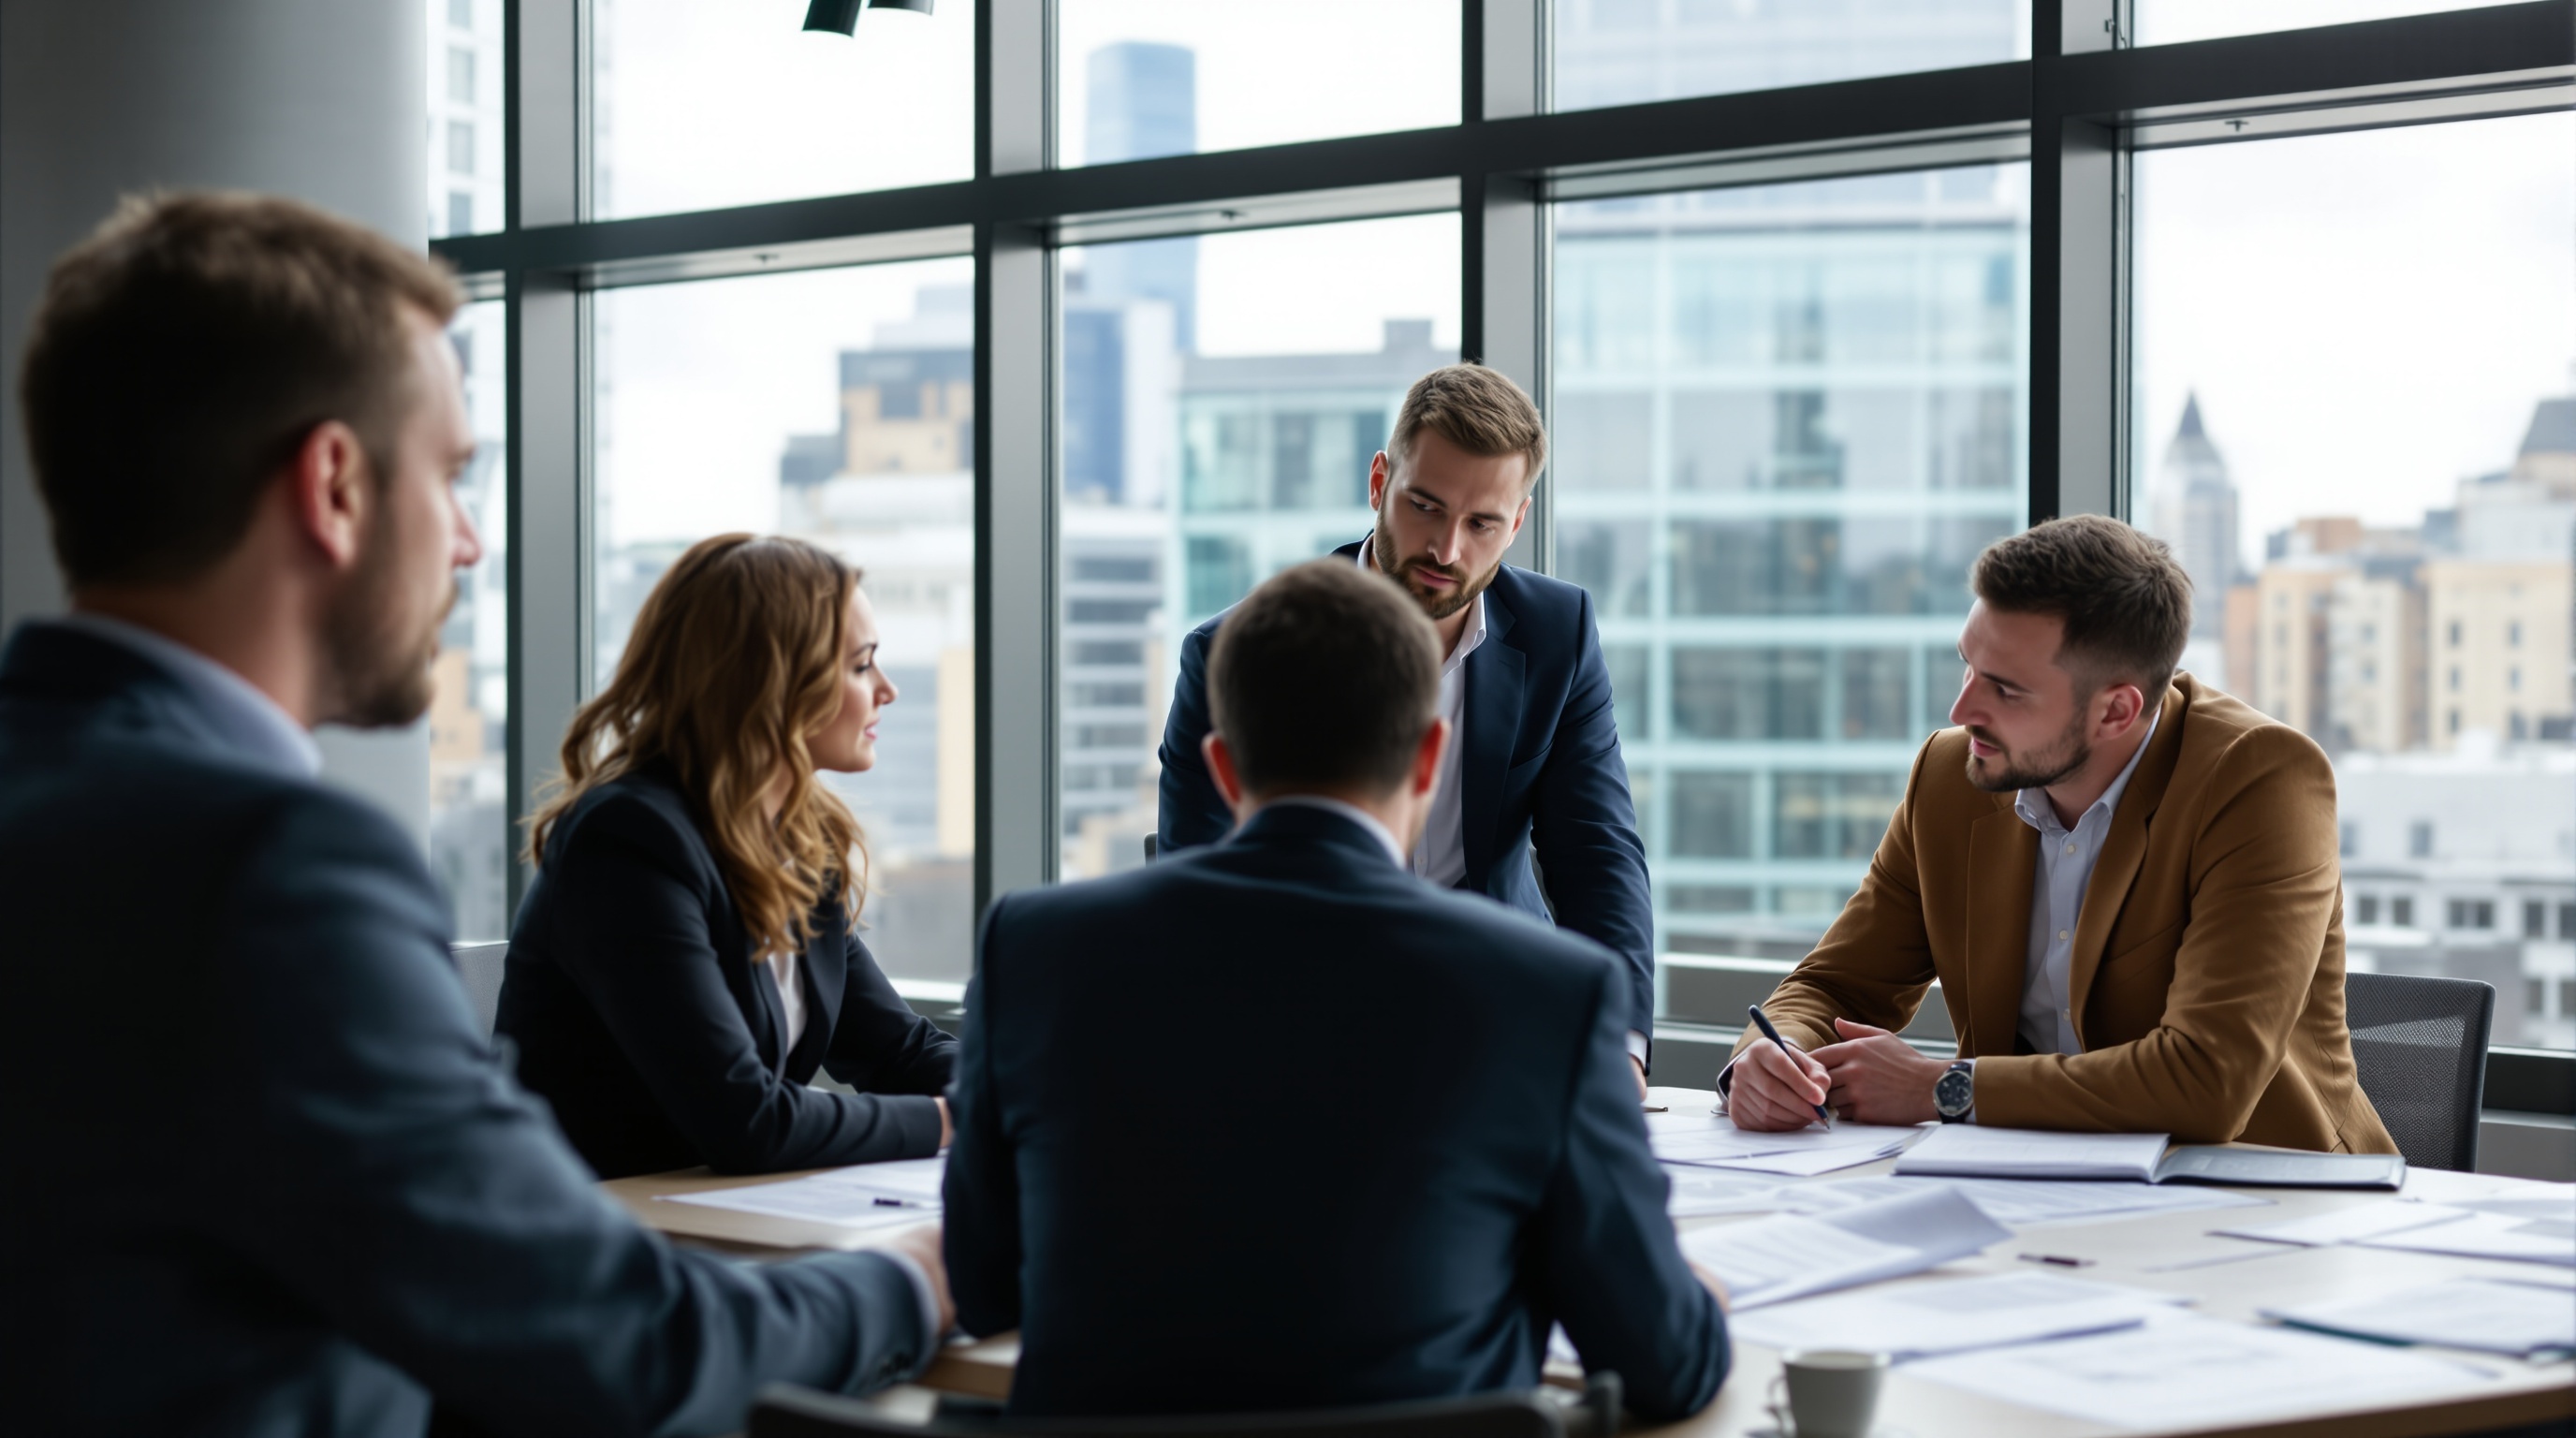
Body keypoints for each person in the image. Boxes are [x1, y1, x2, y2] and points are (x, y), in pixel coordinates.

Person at [0, 193, 949, 1437]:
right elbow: (619, 1346)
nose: (469, 542)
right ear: (334, 485)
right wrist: (925, 1277)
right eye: (453, 474)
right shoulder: (274, 871)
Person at [947, 559, 1730, 1421]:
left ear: (1221, 766)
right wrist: (1698, 1299)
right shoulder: (1552, 996)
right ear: (1429, 757)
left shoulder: (1034, 952)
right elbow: (1665, 1361)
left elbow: (983, 1290)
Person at [1722, 516, 2396, 1153]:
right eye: (1967, 667)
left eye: (2006, 690)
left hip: (2267, 1200)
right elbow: (1835, 985)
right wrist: (1767, 1058)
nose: (1962, 711)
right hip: (2030, 1190)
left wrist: (1944, 1087)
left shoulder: (2259, 780)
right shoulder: (1953, 775)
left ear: (2116, 711)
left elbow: (2206, 1081)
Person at [1157, 364, 1656, 1093]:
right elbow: (1198, 885)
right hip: (1307, 1036)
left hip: (1506, 1023)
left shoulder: (1560, 634)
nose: (1446, 550)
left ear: (1516, 523)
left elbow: (1598, 855)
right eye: (1425, 506)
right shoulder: (1243, 654)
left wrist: (1619, 1048)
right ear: (1379, 482)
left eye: (1482, 523)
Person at [497, 534, 959, 1180]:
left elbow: (898, 1050)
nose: (887, 690)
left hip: (719, 1221)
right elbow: (746, 1121)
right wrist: (950, 1121)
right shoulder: (626, 842)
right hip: (597, 1235)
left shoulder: (799, 838)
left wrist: (1016, 1090)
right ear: (771, 684)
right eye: (861, 665)